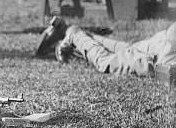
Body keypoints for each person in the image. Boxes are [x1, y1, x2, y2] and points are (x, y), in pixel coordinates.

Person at [39, 16, 175, 77]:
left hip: (163, 42)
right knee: (106, 61)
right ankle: (74, 35)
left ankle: (71, 31)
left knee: (127, 48)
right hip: (160, 58)